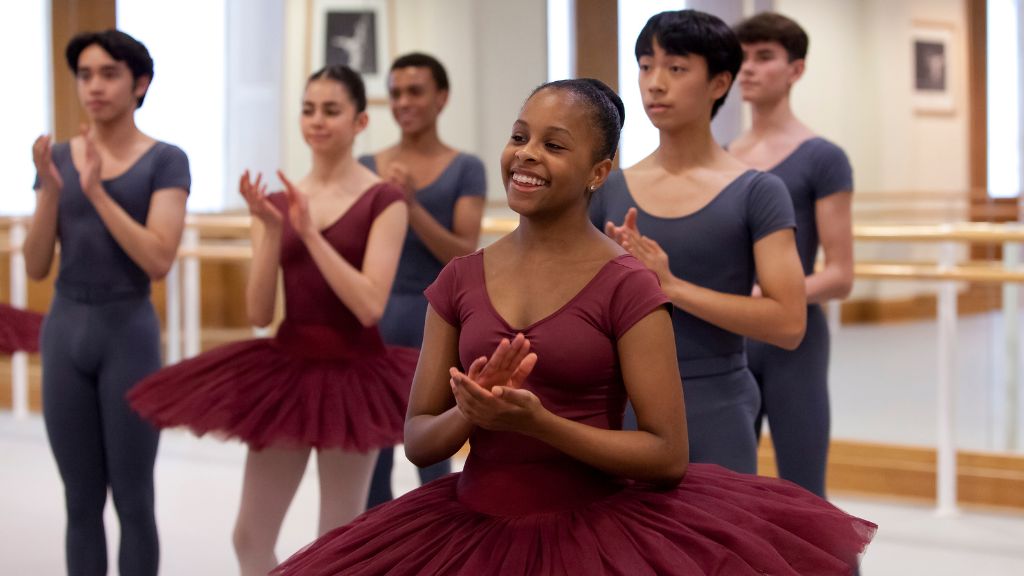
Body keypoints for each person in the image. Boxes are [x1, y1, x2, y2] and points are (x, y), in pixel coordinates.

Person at [272, 77, 873, 576]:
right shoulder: (459, 279)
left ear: (598, 171)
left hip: (592, 535)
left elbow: (666, 455)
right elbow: (420, 439)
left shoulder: (628, 283)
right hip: (473, 527)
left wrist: (541, 423)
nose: (527, 153)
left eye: (554, 145)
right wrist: (472, 413)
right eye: (519, 137)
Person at [126, 65, 416, 576]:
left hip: (355, 373)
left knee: (336, 541)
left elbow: (370, 305)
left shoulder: (384, 200)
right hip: (288, 368)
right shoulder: (279, 201)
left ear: (360, 121)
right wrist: (268, 227)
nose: (316, 120)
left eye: (331, 110)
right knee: (249, 537)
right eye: (308, 109)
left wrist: (309, 235)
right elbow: (259, 312)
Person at [590, 9, 806, 475]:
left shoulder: (757, 191)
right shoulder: (608, 188)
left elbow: (788, 321)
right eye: (646, 66)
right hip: (617, 406)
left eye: (676, 68)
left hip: (716, 404)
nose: (654, 83)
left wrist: (671, 287)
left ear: (719, 83)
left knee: (712, 545)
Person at [25, 29, 190, 575]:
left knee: (134, 501)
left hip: (129, 334)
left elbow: (158, 259)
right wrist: (52, 187)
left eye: (109, 73)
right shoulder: (59, 158)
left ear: (139, 84)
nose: (94, 86)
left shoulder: (166, 160)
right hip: (66, 329)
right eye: (86, 74)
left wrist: (95, 191)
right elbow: (35, 265)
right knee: (80, 503)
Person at [728, 12, 855, 498]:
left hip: (792, 340)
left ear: (795, 70)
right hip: (731, 338)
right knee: (726, 490)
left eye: (764, 57)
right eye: (742, 58)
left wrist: (773, 295)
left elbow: (840, 275)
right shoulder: (723, 154)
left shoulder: (822, 158)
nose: (749, 69)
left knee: (803, 491)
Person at [359, 52, 486, 507]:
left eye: (415, 91)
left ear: (441, 98)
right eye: (395, 93)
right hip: (373, 317)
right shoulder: (367, 164)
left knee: (432, 453)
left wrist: (409, 204)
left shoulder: (466, 167)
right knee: (369, 454)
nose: (403, 102)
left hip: (437, 320)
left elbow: (462, 253)